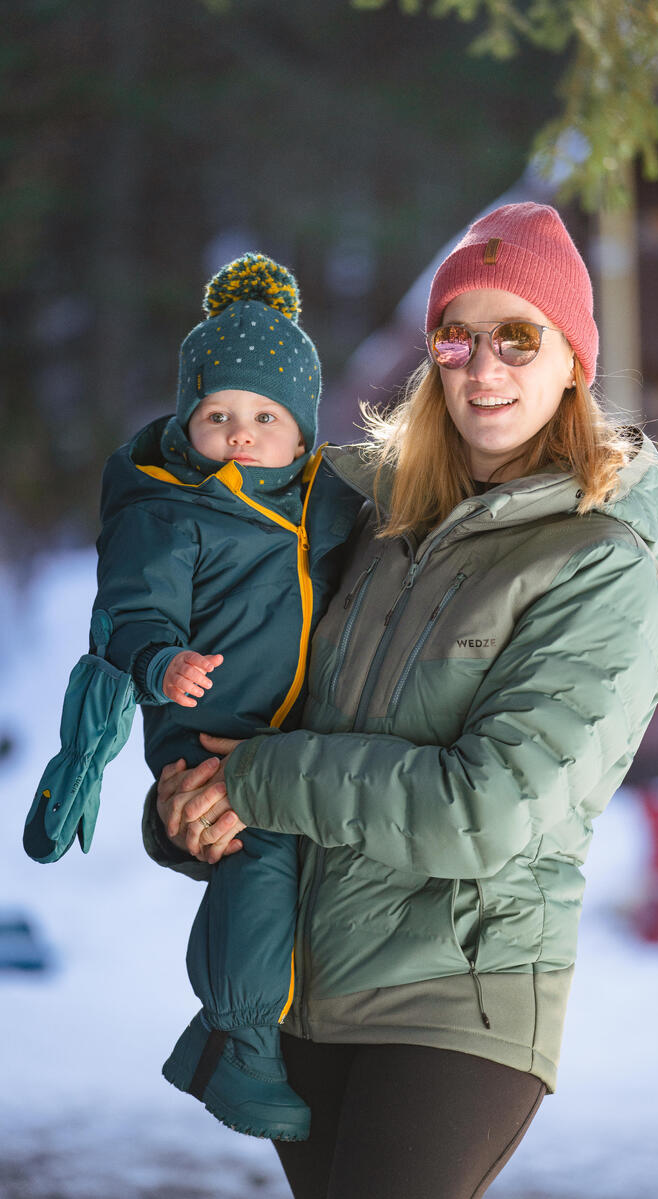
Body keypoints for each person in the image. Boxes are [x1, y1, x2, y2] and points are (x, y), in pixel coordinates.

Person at [147, 202, 658, 1199]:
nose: (483, 365)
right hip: (307, 987)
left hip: (459, 995)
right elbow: (267, 698)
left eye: (518, 336)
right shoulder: (365, 522)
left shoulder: (599, 565)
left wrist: (255, 780)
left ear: (572, 360)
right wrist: (191, 798)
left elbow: (491, 808)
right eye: (456, 334)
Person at [47, 253, 361, 1141]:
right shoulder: (170, 511)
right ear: (187, 423)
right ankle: (240, 1038)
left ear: (302, 432)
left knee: (284, 875)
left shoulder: (323, 502)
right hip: (210, 730)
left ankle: (228, 1031)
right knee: (254, 867)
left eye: (266, 416)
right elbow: (128, 611)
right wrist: (158, 663)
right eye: (219, 413)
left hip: (289, 735)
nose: (242, 434)